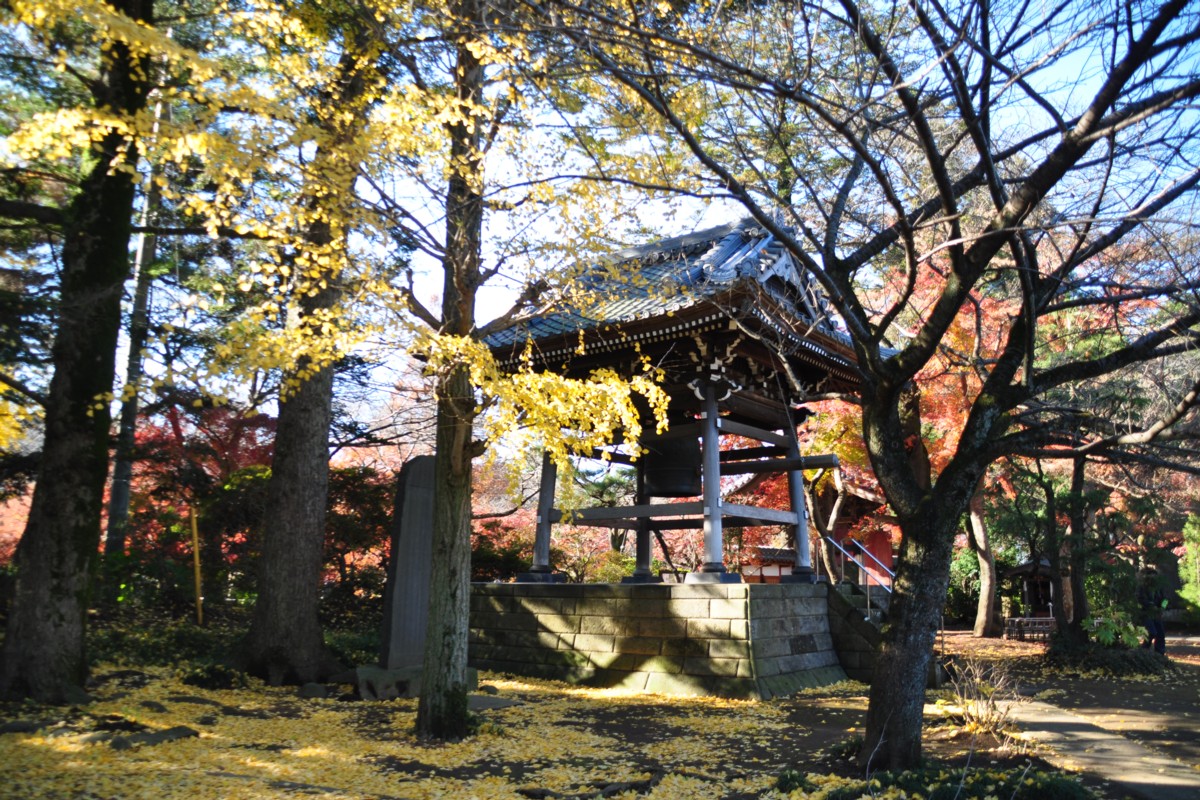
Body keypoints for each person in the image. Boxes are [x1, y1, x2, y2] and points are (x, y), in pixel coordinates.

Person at [1137, 567, 1167, 656]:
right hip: (1145, 613)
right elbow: (1140, 599)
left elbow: (1165, 599)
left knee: (1160, 633)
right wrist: (1150, 606)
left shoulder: (1158, 588)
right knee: (1152, 632)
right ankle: (1144, 649)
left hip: (1156, 614)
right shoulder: (1141, 587)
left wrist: (1162, 608)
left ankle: (1160, 654)